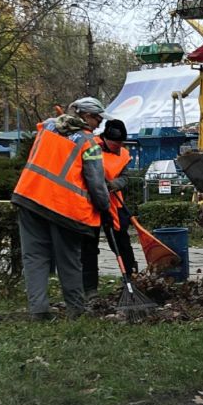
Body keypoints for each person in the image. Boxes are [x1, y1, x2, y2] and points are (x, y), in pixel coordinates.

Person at [12, 97, 113, 321]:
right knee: (68, 260)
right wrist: (105, 207)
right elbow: (96, 184)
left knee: (34, 257)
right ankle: (76, 310)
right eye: (97, 118)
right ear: (85, 116)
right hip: (63, 208)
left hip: (29, 197)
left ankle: (38, 310)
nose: (99, 124)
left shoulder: (47, 127)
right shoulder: (89, 144)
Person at [81, 119, 136, 299]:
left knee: (122, 244)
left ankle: (131, 278)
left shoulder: (124, 155)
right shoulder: (90, 147)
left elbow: (126, 177)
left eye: (122, 143)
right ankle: (90, 289)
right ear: (105, 139)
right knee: (89, 247)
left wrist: (114, 184)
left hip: (115, 204)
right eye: (116, 143)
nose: (119, 147)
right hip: (89, 206)